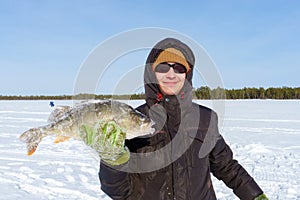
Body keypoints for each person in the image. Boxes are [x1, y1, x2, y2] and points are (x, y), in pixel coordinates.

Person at [98, 38, 268, 200]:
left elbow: (227, 167)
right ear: (152, 72)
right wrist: (112, 159)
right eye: (163, 67)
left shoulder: (205, 119)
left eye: (179, 68)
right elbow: (119, 192)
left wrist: (255, 196)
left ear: (187, 74)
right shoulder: (133, 121)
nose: (171, 74)